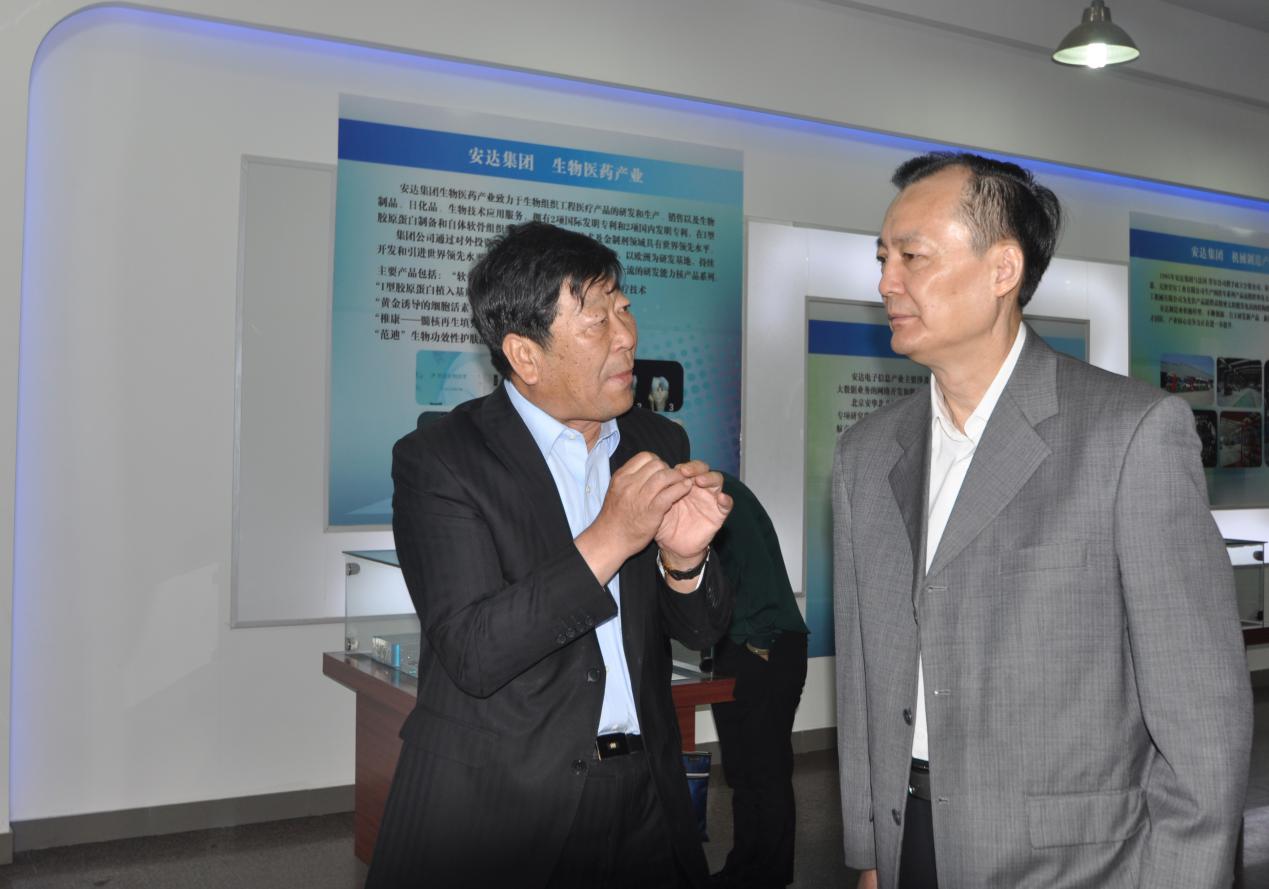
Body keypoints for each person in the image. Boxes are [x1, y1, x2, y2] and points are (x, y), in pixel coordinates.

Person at [832, 152, 1251, 889]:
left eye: (911, 257)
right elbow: (865, 672)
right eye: (881, 258)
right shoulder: (866, 455)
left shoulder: (1129, 434)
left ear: (1002, 269)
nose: (886, 282)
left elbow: (1201, 720)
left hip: (1076, 862)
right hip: (913, 841)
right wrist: (870, 853)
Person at [365, 221, 734, 889]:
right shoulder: (443, 461)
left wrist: (684, 563)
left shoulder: (656, 440)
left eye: (624, 307)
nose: (627, 336)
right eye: (597, 321)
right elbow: (475, 651)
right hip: (502, 805)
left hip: (645, 794)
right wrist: (611, 537)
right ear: (524, 355)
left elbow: (701, 631)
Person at [708, 472, 809, 889]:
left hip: (765, 645)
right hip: (739, 646)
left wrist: (758, 643)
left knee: (765, 771)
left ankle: (769, 875)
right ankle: (744, 867)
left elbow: (756, 570)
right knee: (742, 771)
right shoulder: (707, 496)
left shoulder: (720, 495)